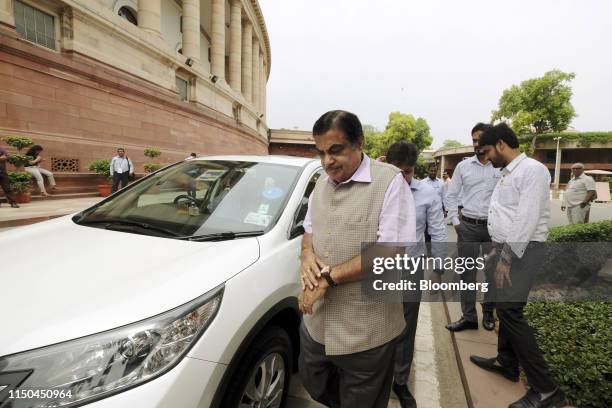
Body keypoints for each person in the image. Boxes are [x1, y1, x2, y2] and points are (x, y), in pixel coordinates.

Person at [298, 110, 416, 408]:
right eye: (321, 153)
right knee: (315, 384)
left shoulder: (389, 182)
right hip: (319, 322)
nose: (327, 161)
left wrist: (327, 278)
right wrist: (306, 256)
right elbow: (309, 229)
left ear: (359, 143)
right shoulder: (321, 185)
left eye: (335, 150)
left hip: (367, 329)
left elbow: (391, 250)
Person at [470, 123, 566, 408]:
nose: (486, 158)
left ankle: (546, 389)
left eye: (487, 151)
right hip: (506, 249)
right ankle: (506, 362)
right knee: (504, 308)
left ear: (500, 144)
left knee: (511, 312)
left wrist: (506, 258)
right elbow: (505, 214)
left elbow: (526, 218)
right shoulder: (508, 173)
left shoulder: (532, 171)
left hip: (523, 252)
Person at [385, 141, 446, 408]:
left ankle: (400, 380)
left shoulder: (427, 194)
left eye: (407, 172)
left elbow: (438, 231)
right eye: (396, 171)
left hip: (411, 266)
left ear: (414, 170)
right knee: (377, 320)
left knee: (405, 327)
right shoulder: (374, 189)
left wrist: (439, 266)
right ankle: (376, 374)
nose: (402, 178)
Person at [444, 123, 500, 332]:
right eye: (474, 139)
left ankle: (488, 313)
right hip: (467, 226)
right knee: (466, 273)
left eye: (480, 139)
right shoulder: (463, 167)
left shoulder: (499, 166)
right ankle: (468, 317)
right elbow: (451, 196)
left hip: (493, 229)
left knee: (492, 272)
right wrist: (456, 223)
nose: (476, 143)